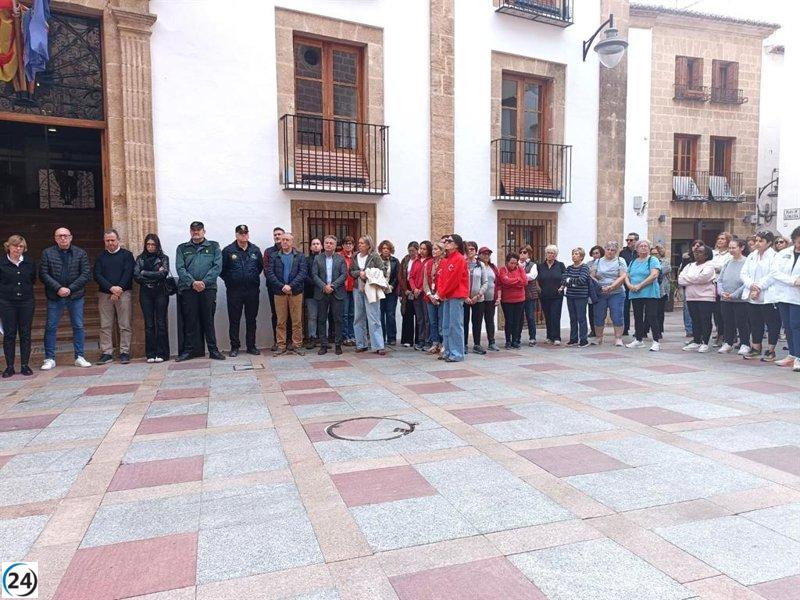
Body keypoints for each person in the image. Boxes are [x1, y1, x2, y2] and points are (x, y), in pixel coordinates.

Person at [39, 227, 92, 370]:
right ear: (55, 238)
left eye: (65, 235)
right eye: (60, 236)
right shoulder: (47, 253)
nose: (63, 238)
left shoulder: (80, 253)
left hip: (76, 296)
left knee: (78, 326)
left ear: (71, 237)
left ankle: (79, 357)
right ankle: (49, 359)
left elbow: (86, 274)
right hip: (55, 296)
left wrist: (70, 289)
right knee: (51, 327)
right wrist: (58, 288)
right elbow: (43, 274)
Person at [175, 221, 225, 362]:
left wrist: (204, 282)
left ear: (204, 231)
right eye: (193, 230)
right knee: (190, 321)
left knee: (208, 320)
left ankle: (213, 350)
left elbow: (217, 267)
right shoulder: (182, 248)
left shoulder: (214, 246)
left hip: (208, 289)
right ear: (190, 231)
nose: (196, 232)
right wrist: (192, 282)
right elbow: (180, 268)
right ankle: (189, 351)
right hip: (188, 289)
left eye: (199, 229)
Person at [93, 229, 135, 365]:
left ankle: (124, 352)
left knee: (125, 324)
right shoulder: (100, 256)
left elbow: (129, 272)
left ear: (118, 240)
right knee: (105, 325)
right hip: (105, 294)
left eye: (112, 240)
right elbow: (97, 275)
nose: (110, 243)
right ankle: (107, 353)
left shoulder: (127, 255)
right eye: (107, 240)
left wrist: (118, 290)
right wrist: (111, 288)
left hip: (124, 294)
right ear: (104, 241)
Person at [220, 224, 262, 357]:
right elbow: (221, 270)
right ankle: (234, 347)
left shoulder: (255, 250)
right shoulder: (228, 250)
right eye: (241, 233)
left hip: (252, 290)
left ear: (248, 234)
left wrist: (251, 278)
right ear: (236, 235)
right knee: (234, 320)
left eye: (245, 233)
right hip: (234, 291)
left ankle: (251, 346)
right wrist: (231, 280)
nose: (244, 235)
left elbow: (259, 267)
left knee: (251, 319)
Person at [266, 232, 308, 356]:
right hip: (279, 292)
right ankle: (281, 345)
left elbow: (303, 273)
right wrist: (282, 286)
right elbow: (270, 273)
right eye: (283, 239)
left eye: (287, 240)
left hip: (295, 292)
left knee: (297, 321)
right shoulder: (274, 256)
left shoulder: (300, 256)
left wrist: (291, 285)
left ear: (292, 242)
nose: (284, 242)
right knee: (281, 321)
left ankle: (297, 345)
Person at [740, 231, 780, 362]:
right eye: (756, 240)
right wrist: (751, 285)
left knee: (772, 323)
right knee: (755, 322)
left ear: (769, 243)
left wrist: (759, 287)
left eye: (761, 241)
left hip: (768, 295)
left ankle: (771, 350)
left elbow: (773, 274)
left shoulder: (775, 256)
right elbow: (744, 273)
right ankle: (756, 348)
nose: (757, 243)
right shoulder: (752, 255)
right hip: (752, 294)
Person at [0, 235, 36, 377]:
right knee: (9, 334)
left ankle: (25, 365)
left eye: (21, 246)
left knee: (25, 333)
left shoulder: (29, 262)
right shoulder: (2, 263)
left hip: (26, 302)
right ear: (8, 246)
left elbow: (32, 279)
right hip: (7, 302)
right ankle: (9, 367)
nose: (18, 248)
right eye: (15, 246)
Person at [134, 234, 171, 363]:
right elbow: (136, 276)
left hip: (161, 292)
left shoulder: (163, 258)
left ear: (157, 245)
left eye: (153, 245)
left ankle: (162, 353)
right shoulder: (140, 258)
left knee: (161, 323)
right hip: (145, 293)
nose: (150, 247)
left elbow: (163, 274)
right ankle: (150, 354)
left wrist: (145, 272)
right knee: (149, 324)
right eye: (148, 244)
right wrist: (154, 275)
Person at [769, 226, 800, 371]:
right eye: (797, 241)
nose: (799, 245)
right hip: (783, 295)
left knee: (796, 326)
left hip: (797, 297)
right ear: (793, 239)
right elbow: (775, 272)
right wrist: (792, 281)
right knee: (787, 326)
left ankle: (799, 356)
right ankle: (792, 354)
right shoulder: (783, 253)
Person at [433, 234, 468, 362]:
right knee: (446, 325)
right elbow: (441, 278)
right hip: (447, 295)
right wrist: (440, 292)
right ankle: (447, 351)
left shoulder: (459, 259)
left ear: (456, 245)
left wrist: (441, 293)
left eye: (449, 241)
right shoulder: (446, 259)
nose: (446, 242)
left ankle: (457, 354)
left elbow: (454, 280)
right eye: (446, 241)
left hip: (456, 295)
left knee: (455, 325)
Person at [350, 235, 387, 355]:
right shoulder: (355, 256)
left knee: (374, 316)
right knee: (358, 317)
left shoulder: (374, 256)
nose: (359, 245)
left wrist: (368, 273)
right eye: (359, 243)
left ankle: (378, 345)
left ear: (368, 245)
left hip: (371, 288)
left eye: (362, 243)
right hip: (357, 288)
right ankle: (361, 344)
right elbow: (351, 271)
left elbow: (383, 270)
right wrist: (359, 273)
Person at [624, 239, 662, 351]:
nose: (644, 247)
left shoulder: (653, 259)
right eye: (641, 246)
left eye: (646, 246)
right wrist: (629, 285)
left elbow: (654, 275)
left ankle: (656, 341)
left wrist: (640, 285)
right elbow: (626, 275)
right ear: (636, 249)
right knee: (637, 316)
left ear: (649, 248)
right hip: (635, 293)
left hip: (650, 293)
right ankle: (638, 339)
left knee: (652, 316)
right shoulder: (633, 262)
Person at [312, 235, 347, 356]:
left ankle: (338, 345)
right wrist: (324, 286)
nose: (328, 245)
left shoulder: (340, 258)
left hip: (337, 292)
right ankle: (323, 345)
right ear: (323, 244)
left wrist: (332, 286)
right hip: (322, 292)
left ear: (335, 245)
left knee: (338, 319)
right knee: (321, 319)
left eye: (331, 243)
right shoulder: (317, 258)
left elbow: (344, 275)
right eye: (326, 242)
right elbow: (314, 275)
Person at [678, 244, 716, 352]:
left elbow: (703, 278)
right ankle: (696, 340)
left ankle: (705, 342)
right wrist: (694, 279)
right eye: (695, 252)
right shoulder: (689, 266)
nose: (696, 254)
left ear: (706, 255)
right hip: (691, 297)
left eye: (700, 252)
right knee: (695, 319)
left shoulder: (709, 265)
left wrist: (689, 279)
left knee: (705, 319)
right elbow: (680, 279)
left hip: (705, 297)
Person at [589, 241, 627, 346]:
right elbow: (592, 276)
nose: (610, 252)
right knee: (599, 315)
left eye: (613, 250)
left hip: (616, 292)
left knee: (617, 315)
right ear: (605, 249)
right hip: (600, 292)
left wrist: (612, 286)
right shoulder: (598, 261)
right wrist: (600, 286)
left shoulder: (620, 260)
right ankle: (599, 338)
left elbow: (623, 276)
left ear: (616, 251)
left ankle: (618, 338)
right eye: (608, 249)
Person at [717, 238, 750, 355]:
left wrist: (734, 295)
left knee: (742, 322)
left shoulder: (747, 262)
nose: (731, 250)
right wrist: (722, 292)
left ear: (742, 248)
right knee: (727, 321)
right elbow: (720, 280)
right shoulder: (727, 262)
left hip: (740, 300)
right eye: (729, 248)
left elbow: (747, 282)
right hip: (725, 299)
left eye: (734, 248)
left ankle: (745, 343)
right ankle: (728, 342)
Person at [562, 247, 591, 347]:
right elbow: (563, 280)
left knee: (581, 318)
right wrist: (571, 281)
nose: (574, 256)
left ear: (581, 256)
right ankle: (573, 339)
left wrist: (569, 280)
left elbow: (582, 280)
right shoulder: (569, 268)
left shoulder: (584, 267)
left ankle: (583, 340)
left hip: (581, 296)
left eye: (577, 254)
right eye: (573, 254)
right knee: (572, 318)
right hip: (570, 295)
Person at [538, 245, 566, 345]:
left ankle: (557, 337)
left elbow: (565, 278)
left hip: (557, 295)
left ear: (556, 255)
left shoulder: (560, 265)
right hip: (544, 295)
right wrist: (538, 288)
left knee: (555, 315)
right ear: (545, 254)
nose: (550, 255)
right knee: (547, 316)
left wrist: (562, 287)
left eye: (552, 253)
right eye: (548, 253)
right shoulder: (540, 266)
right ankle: (549, 336)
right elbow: (536, 278)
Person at [263, 226, 286, 351]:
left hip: (290, 288)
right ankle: (277, 341)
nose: (277, 236)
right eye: (275, 235)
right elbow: (267, 271)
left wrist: (288, 285)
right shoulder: (269, 252)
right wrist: (280, 285)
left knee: (290, 315)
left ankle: (289, 340)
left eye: (279, 234)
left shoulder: (291, 250)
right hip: (274, 288)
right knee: (276, 315)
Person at [498, 252, 527, 349]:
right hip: (507, 300)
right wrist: (517, 280)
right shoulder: (503, 270)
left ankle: (515, 340)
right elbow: (504, 281)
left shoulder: (520, 269)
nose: (513, 265)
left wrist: (512, 281)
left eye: (515, 263)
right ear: (507, 262)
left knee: (517, 321)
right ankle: (508, 341)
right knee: (509, 321)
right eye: (511, 263)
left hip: (520, 299)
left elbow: (525, 281)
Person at [463, 241, 487, 354]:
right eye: (468, 249)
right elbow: (459, 282)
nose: (470, 251)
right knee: (464, 321)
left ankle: (477, 344)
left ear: (476, 251)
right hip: (464, 299)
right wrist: (465, 296)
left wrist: (478, 295)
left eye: (472, 249)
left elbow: (485, 282)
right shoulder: (462, 263)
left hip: (478, 299)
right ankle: (464, 344)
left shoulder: (480, 265)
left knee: (477, 322)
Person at [711, 232, 733, 346]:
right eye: (719, 238)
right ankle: (719, 332)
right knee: (716, 311)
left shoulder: (729, 255)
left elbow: (725, 268)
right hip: (712, 284)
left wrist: (715, 268)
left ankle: (725, 334)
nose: (720, 240)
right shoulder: (713, 253)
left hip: (724, 285)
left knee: (724, 311)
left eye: (723, 239)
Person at [423, 241, 444, 354]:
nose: (434, 251)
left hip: (441, 297)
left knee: (442, 322)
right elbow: (425, 282)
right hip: (430, 297)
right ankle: (435, 343)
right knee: (432, 321)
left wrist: (437, 296)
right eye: (433, 249)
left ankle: (443, 343)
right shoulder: (428, 263)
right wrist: (430, 295)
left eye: (436, 249)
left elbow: (445, 281)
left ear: (442, 251)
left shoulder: (445, 263)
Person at [378, 240, 400, 346]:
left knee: (390, 314)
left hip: (391, 291)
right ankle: (381, 337)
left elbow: (397, 276)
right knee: (380, 315)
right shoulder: (376, 260)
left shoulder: (395, 261)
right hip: (379, 291)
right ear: (380, 250)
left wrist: (392, 286)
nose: (385, 250)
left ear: (391, 250)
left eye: (387, 248)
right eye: (383, 248)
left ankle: (391, 338)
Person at [478, 247, 500, 351]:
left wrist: (498, 297)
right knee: (478, 321)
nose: (486, 256)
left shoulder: (493, 267)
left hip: (491, 299)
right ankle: (477, 343)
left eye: (488, 254)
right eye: (484, 254)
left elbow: (498, 283)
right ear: (479, 255)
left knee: (490, 320)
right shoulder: (477, 266)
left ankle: (492, 342)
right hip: (479, 298)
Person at [411, 241, 432, 351]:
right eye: (421, 248)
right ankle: (421, 340)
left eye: (424, 249)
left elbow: (429, 278)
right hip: (416, 294)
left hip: (425, 294)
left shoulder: (430, 261)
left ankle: (428, 341)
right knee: (419, 319)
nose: (422, 251)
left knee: (427, 318)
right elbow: (411, 277)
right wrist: (414, 288)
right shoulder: (416, 261)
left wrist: (421, 289)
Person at [398, 241, 419, 347]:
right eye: (409, 250)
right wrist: (405, 290)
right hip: (407, 288)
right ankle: (407, 339)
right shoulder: (405, 260)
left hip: (417, 288)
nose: (411, 253)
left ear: (417, 250)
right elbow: (400, 276)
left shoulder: (420, 260)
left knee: (419, 315)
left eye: (413, 251)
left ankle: (419, 339)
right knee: (407, 314)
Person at [302, 238, 322, 349]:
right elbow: (304, 275)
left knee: (323, 317)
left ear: (321, 246)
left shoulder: (326, 259)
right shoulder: (306, 260)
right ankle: (312, 337)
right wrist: (317, 283)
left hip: (324, 292)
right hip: (311, 291)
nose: (315, 246)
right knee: (312, 316)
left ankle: (323, 338)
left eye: (318, 244)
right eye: (313, 244)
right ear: (310, 247)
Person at [649, 244, 671, 341]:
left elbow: (661, 271)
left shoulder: (665, 261)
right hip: (650, 290)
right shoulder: (648, 261)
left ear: (660, 254)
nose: (654, 256)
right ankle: (645, 330)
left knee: (660, 312)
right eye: (652, 254)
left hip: (662, 290)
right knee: (650, 312)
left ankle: (659, 331)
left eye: (656, 254)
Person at [518, 245, 539, 346]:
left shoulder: (533, 265)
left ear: (529, 254)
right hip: (518, 294)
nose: (522, 254)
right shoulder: (516, 264)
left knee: (530, 317)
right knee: (519, 318)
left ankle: (532, 337)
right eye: (521, 252)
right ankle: (517, 337)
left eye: (525, 252)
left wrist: (520, 277)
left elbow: (532, 276)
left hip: (529, 294)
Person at [620, 232, 640, 336]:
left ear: (636, 241)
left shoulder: (640, 252)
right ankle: (625, 329)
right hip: (625, 283)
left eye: (631, 240)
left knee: (638, 309)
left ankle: (639, 330)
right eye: (627, 240)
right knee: (625, 307)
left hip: (637, 284)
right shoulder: (623, 253)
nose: (628, 242)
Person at [340, 236, 356, 346]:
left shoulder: (356, 257)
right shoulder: (339, 256)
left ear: (353, 245)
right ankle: (345, 336)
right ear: (342, 245)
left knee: (353, 314)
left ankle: (352, 335)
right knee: (344, 314)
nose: (348, 245)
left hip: (355, 288)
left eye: (350, 243)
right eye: (346, 243)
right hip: (343, 288)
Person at [587, 245, 604, 338]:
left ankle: (599, 330)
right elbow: (587, 275)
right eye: (593, 253)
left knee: (600, 312)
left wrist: (595, 275)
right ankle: (593, 330)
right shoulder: (589, 264)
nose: (595, 255)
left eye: (597, 253)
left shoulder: (604, 262)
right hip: (591, 290)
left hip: (602, 289)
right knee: (591, 311)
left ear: (601, 254)